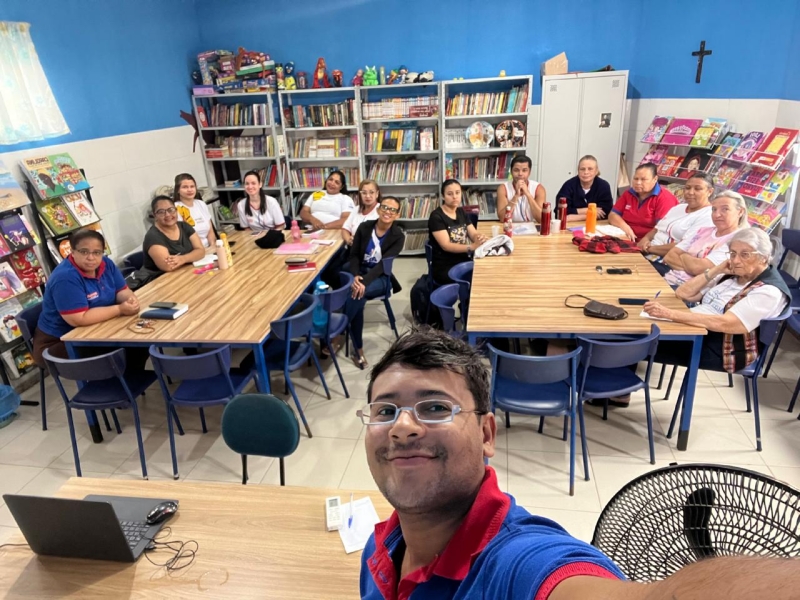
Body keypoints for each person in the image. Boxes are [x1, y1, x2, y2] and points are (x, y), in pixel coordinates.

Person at [359, 327, 800, 599]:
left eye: (436, 408)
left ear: (487, 434)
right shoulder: (380, 547)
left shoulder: (518, 564)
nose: (402, 427)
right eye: (385, 411)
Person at [644, 228, 790, 372]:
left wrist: (669, 314)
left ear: (763, 257)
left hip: (723, 350)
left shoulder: (768, 291)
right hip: (697, 331)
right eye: (732, 254)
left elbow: (726, 323)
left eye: (745, 254)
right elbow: (683, 293)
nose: (735, 260)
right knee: (638, 333)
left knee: (639, 342)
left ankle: (630, 386)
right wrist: (716, 270)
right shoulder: (732, 274)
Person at [32, 228, 145, 370]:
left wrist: (130, 300)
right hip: (59, 342)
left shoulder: (106, 264)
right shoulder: (65, 278)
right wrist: (120, 309)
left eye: (97, 252)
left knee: (140, 339)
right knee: (127, 347)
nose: (91, 258)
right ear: (72, 252)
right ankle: (119, 381)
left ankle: (129, 377)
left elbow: (121, 290)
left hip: (96, 329)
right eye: (84, 252)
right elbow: (79, 318)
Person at [343, 196, 405, 369]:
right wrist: (355, 275)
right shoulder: (364, 227)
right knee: (358, 296)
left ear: (397, 215)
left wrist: (364, 282)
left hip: (381, 277)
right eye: (384, 207)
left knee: (356, 293)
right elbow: (354, 255)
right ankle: (357, 349)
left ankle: (338, 332)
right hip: (359, 272)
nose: (388, 211)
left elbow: (383, 264)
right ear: (378, 209)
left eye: (392, 210)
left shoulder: (398, 236)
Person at [662, 191, 747, 287]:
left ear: (740, 212)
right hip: (668, 279)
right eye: (714, 209)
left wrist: (683, 255)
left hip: (692, 290)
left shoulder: (737, 240)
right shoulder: (703, 231)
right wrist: (693, 268)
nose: (717, 214)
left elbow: (698, 268)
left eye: (725, 209)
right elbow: (669, 257)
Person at [637, 173, 715, 268]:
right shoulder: (678, 208)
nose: (690, 192)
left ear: (709, 191)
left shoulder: (708, 216)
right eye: (687, 188)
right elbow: (656, 229)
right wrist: (645, 240)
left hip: (665, 263)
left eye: (697, 189)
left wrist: (650, 249)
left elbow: (685, 247)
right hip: (647, 253)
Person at [429, 179, 488, 285]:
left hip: (463, 258)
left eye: (457, 192)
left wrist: (479, 238)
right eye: (450, 194)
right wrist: (471, 247)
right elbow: (446, 245)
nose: (454, 197)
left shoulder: (461, 211)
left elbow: (473, 233)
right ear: (443, 196)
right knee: (477, 279)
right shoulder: (436, 217)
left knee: (485, 272)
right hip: (445, 265)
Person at [608, 162, 679, 242]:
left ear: (655, 179)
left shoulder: (665, 198)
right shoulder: (628, 193)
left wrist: (644, 241)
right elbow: (613, 215)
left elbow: (662, 229)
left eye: (643, 179)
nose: (638, 183)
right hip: (625, 236)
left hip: (649, 242)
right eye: (636, 179)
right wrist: (626, 228)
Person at [143, 195, 206, 273]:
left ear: (176, 210)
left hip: (185, 272)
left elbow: (201, 251)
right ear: (155, 215)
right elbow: (168, 266)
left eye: (171, 210)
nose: (167, 215)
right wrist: (191, 256)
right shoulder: (153, 237)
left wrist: (183, 259)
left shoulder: (184, 226)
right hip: (160, 278)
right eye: (161, 212)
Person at [555, 155, 614, 222]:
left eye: (590, 169)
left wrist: (572, 217)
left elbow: (605, 213)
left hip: (597, 225)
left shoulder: (603, 186)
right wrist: (588, 211)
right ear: (578, 171)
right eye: (582, 169)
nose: (586, 172)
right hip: (571, 225)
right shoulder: (568, 185)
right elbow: (560, 212)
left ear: (596, 171)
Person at [495, 156, 545, 223]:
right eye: (516, 170)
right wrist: (516, 195)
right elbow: (502, 218)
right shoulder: (503, 188)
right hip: (510, 226)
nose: (520, 174)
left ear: (529, 172)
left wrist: (528, 194)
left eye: (524, 170)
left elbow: (541, 219)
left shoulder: (538, 188)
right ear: (511, 171)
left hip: (532, 227)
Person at [173, 173, 216, 248]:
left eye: (192, 186)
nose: (189, 190)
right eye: (185, 187)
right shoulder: (175, 208)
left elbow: (210, 231)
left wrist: (212, 246)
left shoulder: (201, 203)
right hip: (193, 250)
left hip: (209, 247)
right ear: (178, 190)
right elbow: (181, 237)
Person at [341, 179, 381, 246]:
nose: (367, 196)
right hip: (353, 247)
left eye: (371, 192)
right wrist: (349, 240)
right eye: (364, 193)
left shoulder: (381, 210)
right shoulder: (356, 209)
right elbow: (345, 229)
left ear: (377, 194)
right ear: (360, 194)